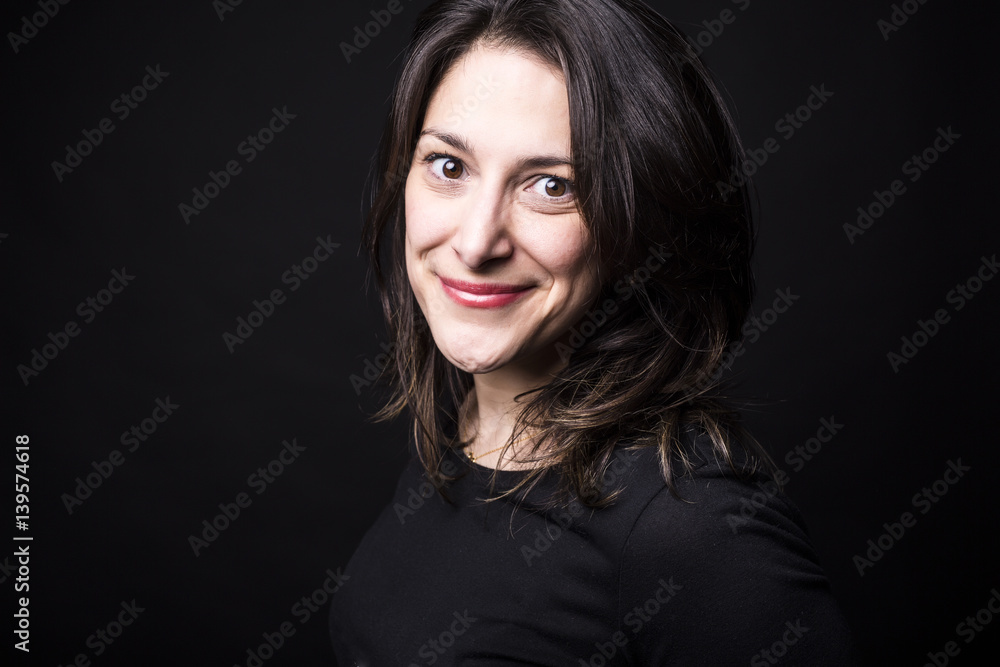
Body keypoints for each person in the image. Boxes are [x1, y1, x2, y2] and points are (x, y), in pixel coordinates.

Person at [330, 0, 860, 664]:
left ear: (640, 222)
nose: (475, 240)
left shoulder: (688, 525)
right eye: (449, 166)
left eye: (552, 185)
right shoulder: (465, 424)